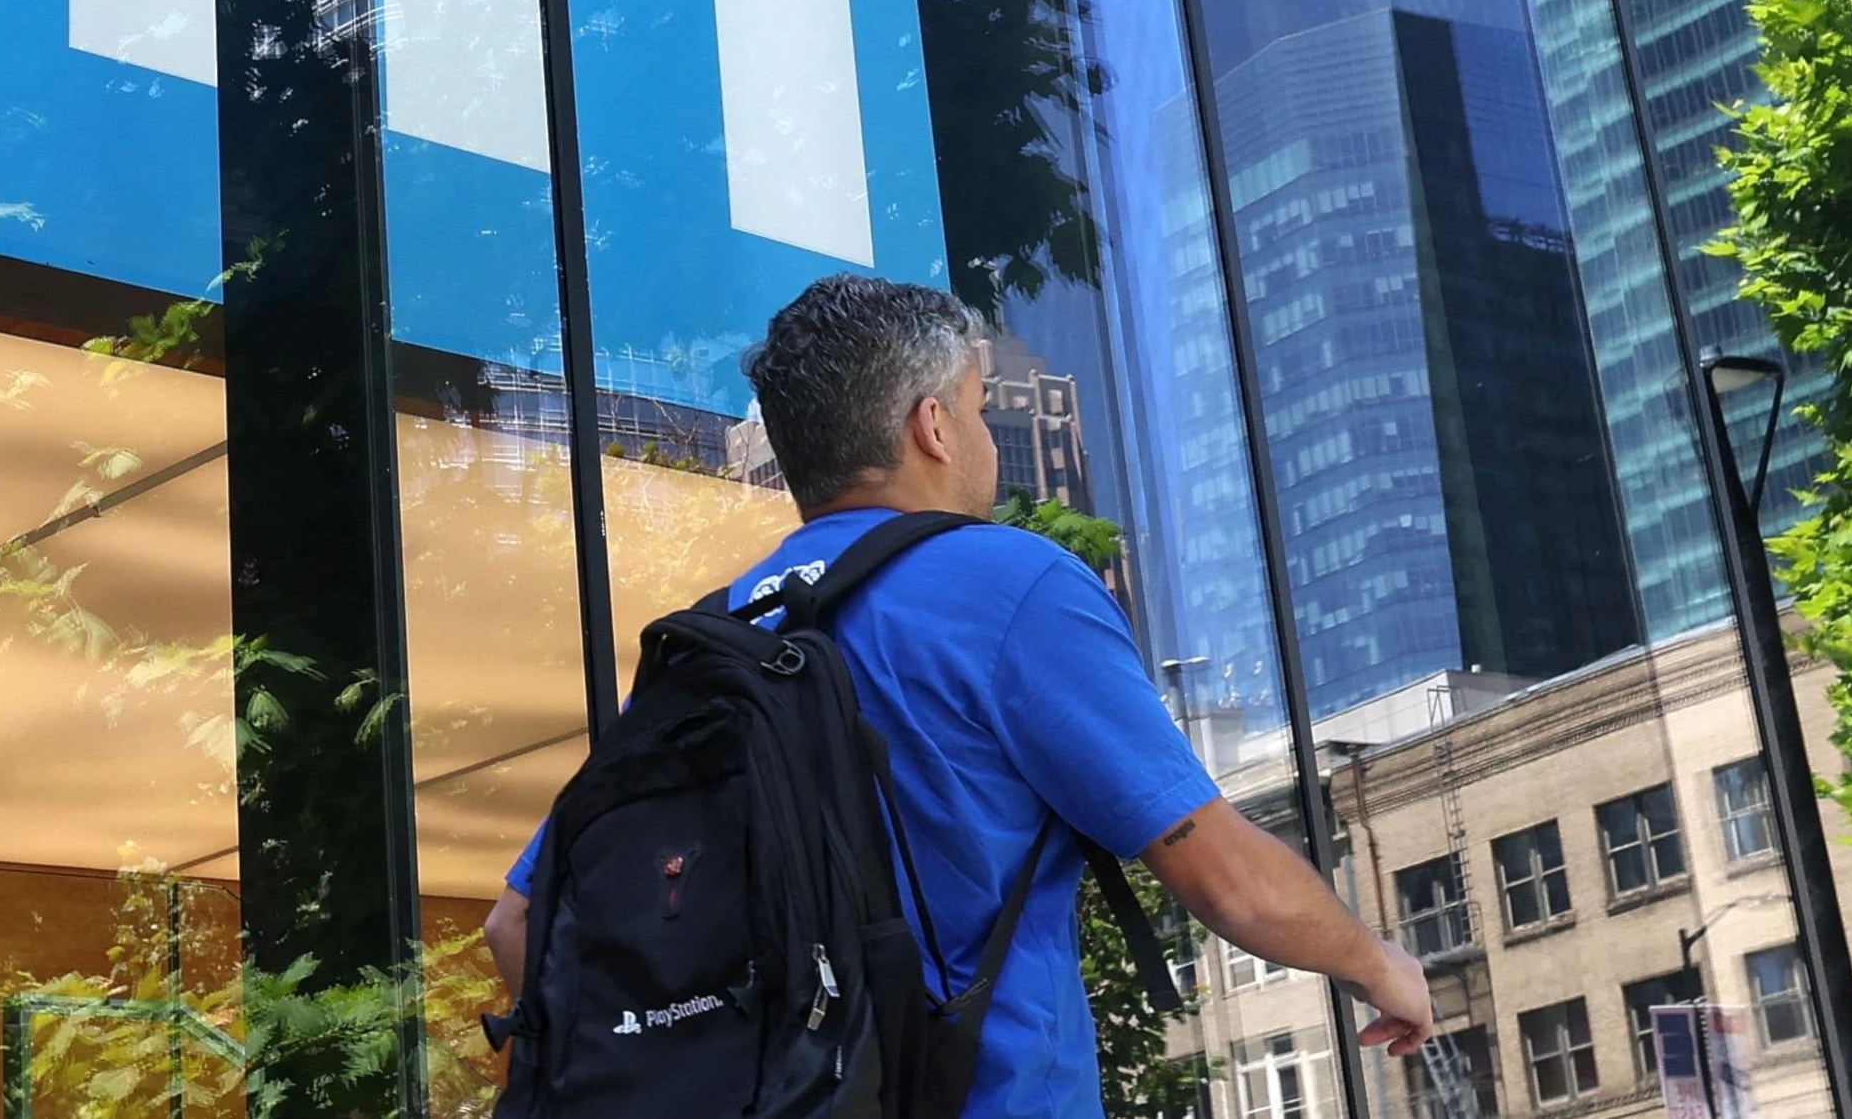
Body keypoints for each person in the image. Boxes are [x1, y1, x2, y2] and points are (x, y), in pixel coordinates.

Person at [485, 274, 1434, 1114]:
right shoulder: (1006, 582)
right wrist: (1376, 962)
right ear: (932, 426)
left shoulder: (718, 633)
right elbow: (1225, 878)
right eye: (977, 410)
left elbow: (516, 923)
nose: (982, 439)